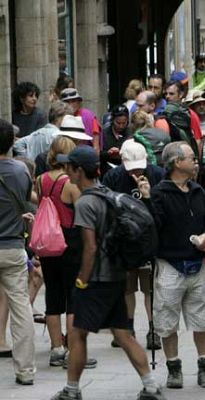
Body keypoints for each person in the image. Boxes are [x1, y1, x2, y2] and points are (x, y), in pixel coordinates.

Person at [51, 145, 164, 400]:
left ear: (79, 171)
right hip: (116, 277)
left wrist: (81, 282)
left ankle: (71, 391)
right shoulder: (108, 194)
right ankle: (150, 386)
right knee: (123, 333)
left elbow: (90, 248)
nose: (66, 171)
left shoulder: (86, 203)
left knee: (78, 334)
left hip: (96, 281)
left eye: (69, 167)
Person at [137, 141, 205, 389]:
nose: (196, 162)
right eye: (191, 158)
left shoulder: (198, 191)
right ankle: (174, 368)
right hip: (170, 265)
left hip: (197, 264)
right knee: (166, 321)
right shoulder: (160, 193)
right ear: (176, 163)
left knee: (202, 320)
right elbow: (154, 225)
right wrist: (148, 199)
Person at [38, 137, 99, 369]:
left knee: (52, 295)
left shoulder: (40, 180)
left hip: (47, 243)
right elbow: (83, 212)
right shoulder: (70, 184)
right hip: (70, 243)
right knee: (74, 298)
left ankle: (56, 349)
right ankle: (74, 350)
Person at [102, 140, 165, 350]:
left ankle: (153, 328)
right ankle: (127, 327)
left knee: (150, 289)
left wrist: (147, 196)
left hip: (148, 240)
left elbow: (160, 208)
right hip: (124, 241)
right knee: (127, 287)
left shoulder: (156, 174)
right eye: (132, 168)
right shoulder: (113, 177)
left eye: (140, 167)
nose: (136, 172)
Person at [0, 118, 36, 385]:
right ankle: (25, 370)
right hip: (12, 246)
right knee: (21, 307)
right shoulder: (21, 171)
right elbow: (26, 197)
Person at [60, 88, 101, 152]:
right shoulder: (59, 117)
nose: (70, 105)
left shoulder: (89, 117)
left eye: (73, 101)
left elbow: (96, 147)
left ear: (79, 102)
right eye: (67, 102)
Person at [100, 105, 132, 175]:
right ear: (112, 120)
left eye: (124, 123)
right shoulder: (104, 133)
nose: (121, 126)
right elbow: (98, 153)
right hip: (106, 169)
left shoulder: (131, 133)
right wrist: (108, 153)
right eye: (118, 123)